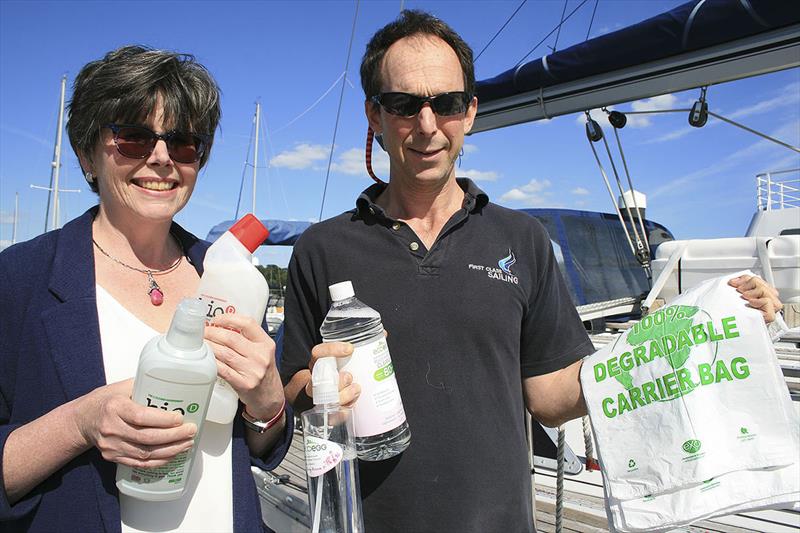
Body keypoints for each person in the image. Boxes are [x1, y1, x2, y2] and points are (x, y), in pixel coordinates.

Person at [279, 10, 784, 533]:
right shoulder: (322, 249)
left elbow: (551, 397)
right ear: (374, 115)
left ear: (470, 111)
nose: (427, 126)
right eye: (405, 105)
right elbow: (289, 390)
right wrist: (315, 388)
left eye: (446, 104)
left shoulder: (522, 240)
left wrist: (708, 328)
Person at [0, 46, 291, 532]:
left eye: (183, 143)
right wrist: (81, 423)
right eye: (133, 138)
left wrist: (268, 405)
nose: (161, 158)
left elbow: (261, 445)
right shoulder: (19, 279)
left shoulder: (225, 280)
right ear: (86, 153)